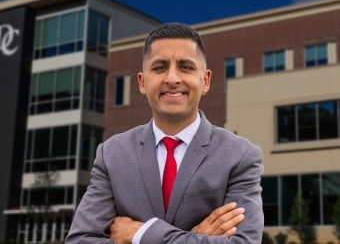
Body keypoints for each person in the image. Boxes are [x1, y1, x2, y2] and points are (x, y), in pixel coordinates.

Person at [65, 23, 264, 244]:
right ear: (142, 82)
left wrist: (139, 235)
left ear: (206, 80)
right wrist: (195, 238)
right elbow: (79, 241)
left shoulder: (240, 155)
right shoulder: (112, 154)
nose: (172, 79)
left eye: (185, 67)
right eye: (159, 67)